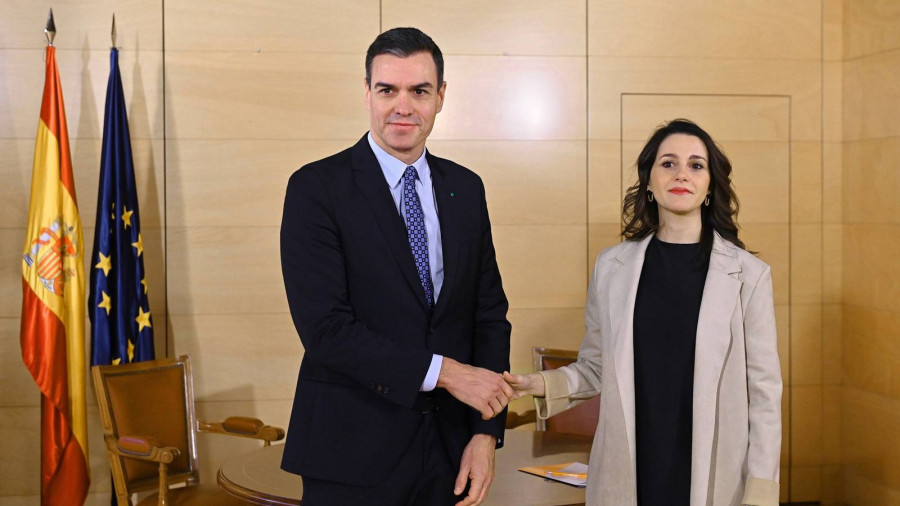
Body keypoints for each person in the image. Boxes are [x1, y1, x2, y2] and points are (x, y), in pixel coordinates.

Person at [279, 27, 513, 506]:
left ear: (441, 96)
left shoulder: (466, 189)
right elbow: (326, 331)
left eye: (419, 91)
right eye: (388, 90)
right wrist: (446, 372)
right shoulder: (316, 188)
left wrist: (485, 434)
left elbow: (488, 317)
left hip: (451, 455)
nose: (403, 107)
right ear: (367, 93)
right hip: (351, 453)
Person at [505, 119, 782, 505]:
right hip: (630, 468)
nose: (681, 174)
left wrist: (761, 491)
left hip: (713, 471)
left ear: (710, 186)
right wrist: (537, 384)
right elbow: (597, 367)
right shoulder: (611, 267)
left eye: (696, 165)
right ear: (649, 182)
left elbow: (764, 393)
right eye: (668, 164)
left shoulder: (748, 276)